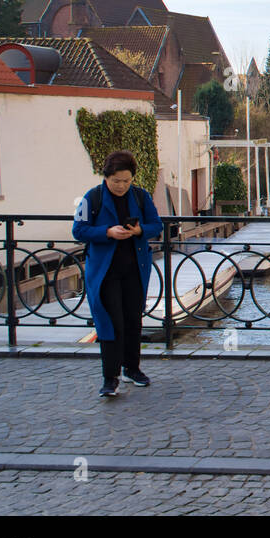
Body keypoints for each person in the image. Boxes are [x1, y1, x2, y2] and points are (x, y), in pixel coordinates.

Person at [72, 150, 164, 398]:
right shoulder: (92, 198)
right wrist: (107, 233)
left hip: (135, 269)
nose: (121, 186)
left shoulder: (141, 196)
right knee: (111, 323)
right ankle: (110, 377)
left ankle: (132, 369)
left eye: (126, 180)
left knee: (134, 319)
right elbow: (78, 230)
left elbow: (157, 225)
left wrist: (138, 231)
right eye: (116, 181)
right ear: (106, 178)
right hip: (105, 272)